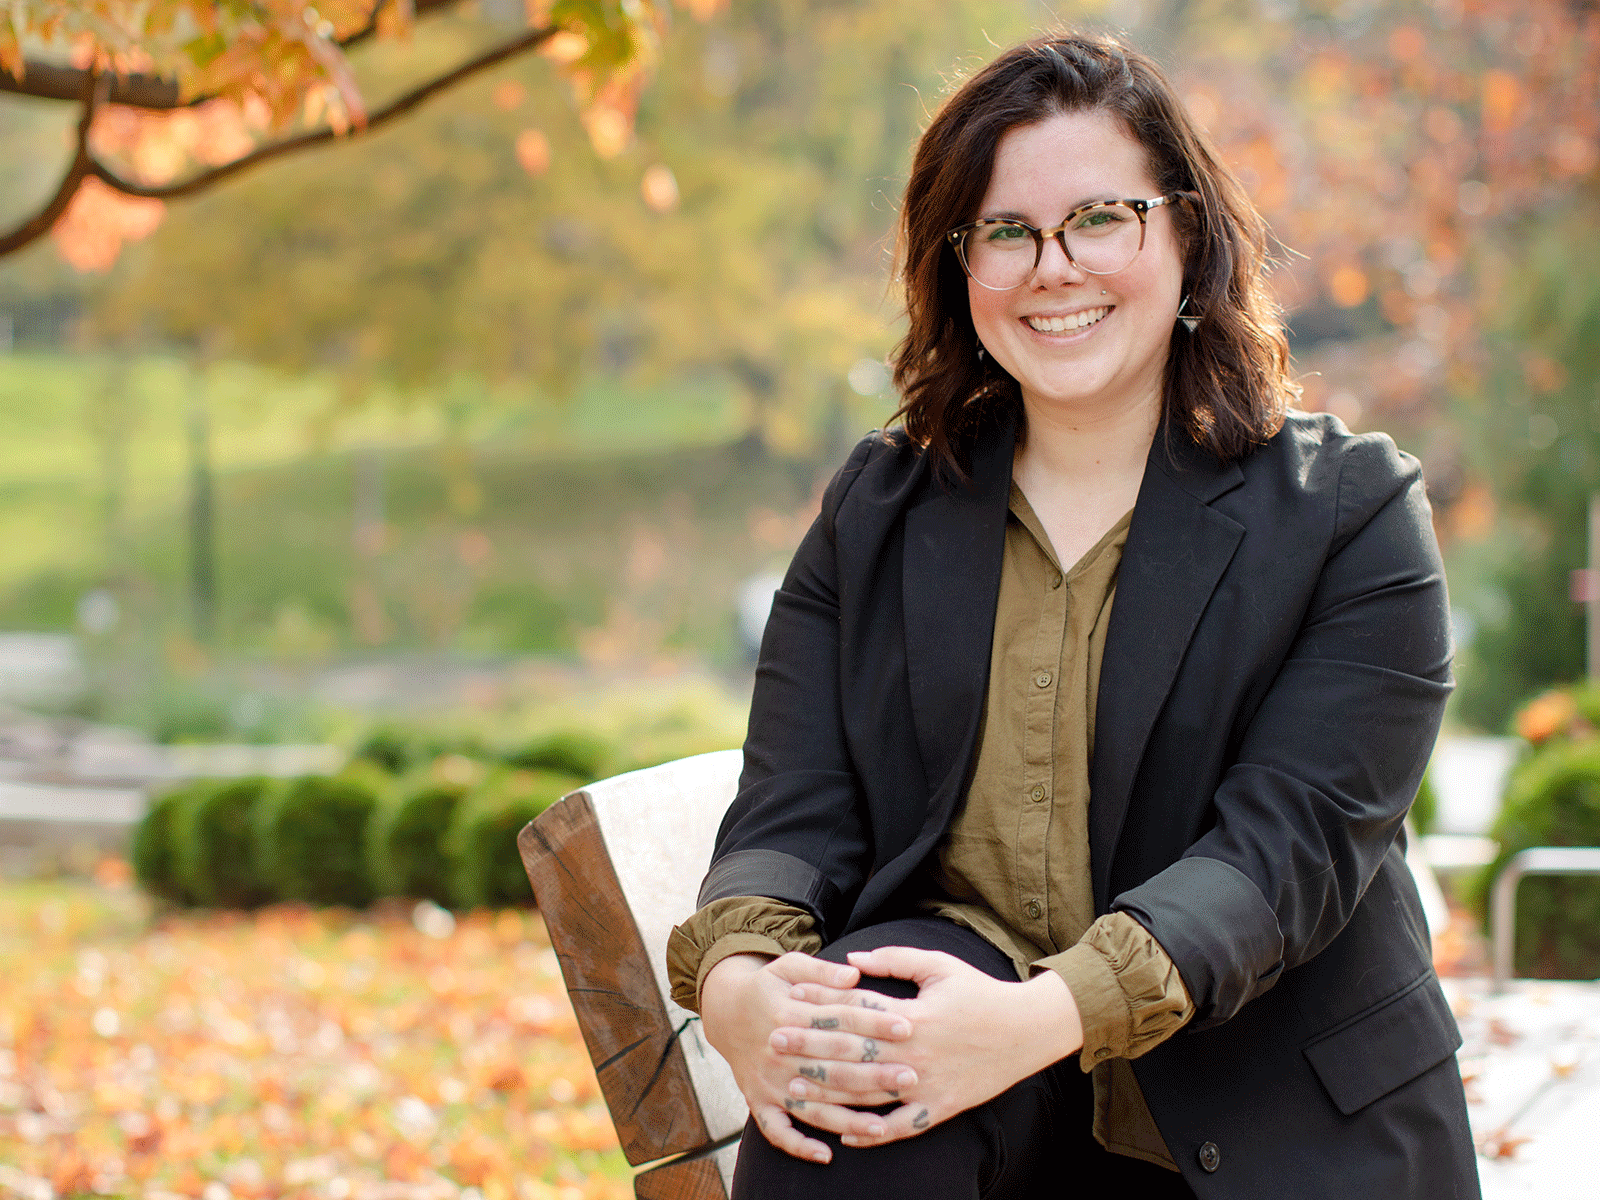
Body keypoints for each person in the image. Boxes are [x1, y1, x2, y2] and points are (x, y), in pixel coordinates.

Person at [665, 31, 1479, 1200]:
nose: (1053, 266)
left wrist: (1038, 1017)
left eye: (1100, 218)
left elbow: (1280, 854)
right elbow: (797, 793)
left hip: (1275, 1111)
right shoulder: (878, 508)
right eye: (1005, 231)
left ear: (1183, 232)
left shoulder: (1351, 515)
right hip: (977, 1095)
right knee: (845, 1089)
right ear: (957, 267)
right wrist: (742, 980)